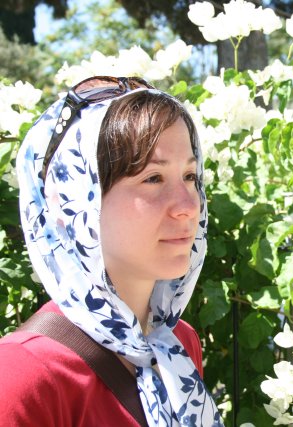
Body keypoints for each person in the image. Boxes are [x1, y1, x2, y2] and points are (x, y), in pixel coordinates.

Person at [0, 76, 223, 426]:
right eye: (153, 178)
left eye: (190, 176)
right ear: (71, 202)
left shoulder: (176, 342)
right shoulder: (22, 377)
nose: (188, 206)